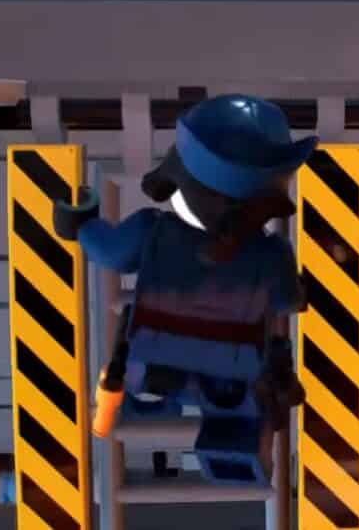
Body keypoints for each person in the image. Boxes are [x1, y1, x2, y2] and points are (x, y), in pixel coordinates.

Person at [55, 94, 310, 484]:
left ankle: (157, 410)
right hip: (227, 382)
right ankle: (232, 449)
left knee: (151, 385)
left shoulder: (151, 231)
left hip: (156, 369)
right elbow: (289, 301)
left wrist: (81, 224)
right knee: (235, 402)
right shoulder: (273, 255)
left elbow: (108, 252)